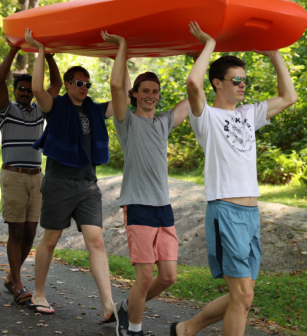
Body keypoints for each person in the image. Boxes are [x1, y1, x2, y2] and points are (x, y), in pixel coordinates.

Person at [171, 22, 298, 336]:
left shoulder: (249, 114)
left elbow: (289, 96)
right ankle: (187, 329)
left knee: (244, 294)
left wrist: (274, 54)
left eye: (244, 80)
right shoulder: (206, 117)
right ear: (217, 83)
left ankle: (186, 329)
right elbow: (192, 82)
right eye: (236, 80)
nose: (242, 85)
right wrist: (209, 45)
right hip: (225, 211)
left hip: (251, 214)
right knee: (242, 295)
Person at [24, 28, 130, 319]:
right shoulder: (55, 107)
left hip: (88, 184)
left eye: (87, 82)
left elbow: (123, 96)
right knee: (51, 239)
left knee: (96, 240)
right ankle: (39, 294)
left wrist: (123, 54)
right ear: (69, 84)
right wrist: (40, 51)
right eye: (79, 82)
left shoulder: (95, 110)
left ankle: (109, 307)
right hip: (59, 181)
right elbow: (36, 89)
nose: (85, 86)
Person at [101, 31, 191, 336]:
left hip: (163, 207)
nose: (151, 95)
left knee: (167, 277)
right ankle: (132, 329)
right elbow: (116, 85)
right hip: (138, 206)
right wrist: (123, 47)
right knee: (143, 276)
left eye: (156, 91)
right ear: (135, 94)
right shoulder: (127, 122)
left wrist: (197, 59)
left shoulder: (163, 123)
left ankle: (126, 307)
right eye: (146, 91)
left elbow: (194, 96)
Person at [0, 39, 63, 306]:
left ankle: (12, 276)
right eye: (21, 89)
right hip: (13, 175)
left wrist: (49, 57)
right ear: (15, 91)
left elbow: (55, 86)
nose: (25, 93)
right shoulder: (6, 110)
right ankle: (18, 284)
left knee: (32, 232)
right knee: (17, 232)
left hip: (37, 177)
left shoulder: (39, 110)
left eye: (28, 90)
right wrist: (13, 50)